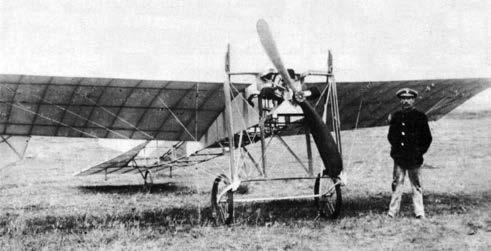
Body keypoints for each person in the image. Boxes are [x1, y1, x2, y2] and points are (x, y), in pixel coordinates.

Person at [387, 88, 432, 219]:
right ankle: (392, 212)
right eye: (404, 99)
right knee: (397, 184)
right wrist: (396, 150)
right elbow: (391, 136)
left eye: (409, 98)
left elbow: (427, 138)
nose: (406, 101)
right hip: (400, 157)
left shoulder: (420, 117)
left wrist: (419, 152)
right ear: (400, 100)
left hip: (414, 158)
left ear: (413, 100)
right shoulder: (396, 116)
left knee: (416, 185)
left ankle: (419, 212)